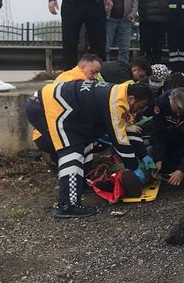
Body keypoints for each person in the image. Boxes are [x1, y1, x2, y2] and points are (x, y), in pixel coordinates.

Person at [25, 80, 154, 218]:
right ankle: (67, 205)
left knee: (85, 144)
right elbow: (119, 140)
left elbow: (124, 132)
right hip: (47, 107)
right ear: (131, 98)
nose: (138, 111)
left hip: (56, 106)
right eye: (139, 106)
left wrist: (142, 154)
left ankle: (80, 185)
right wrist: (134, 167)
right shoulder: (116, 103)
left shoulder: (118, 94)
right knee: (72, 151)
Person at [135, 0, 170, 66]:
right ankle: (143, 71)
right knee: (145, 48)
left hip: (162, 21)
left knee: (158, 48)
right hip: (147, 21)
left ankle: (156, 72)